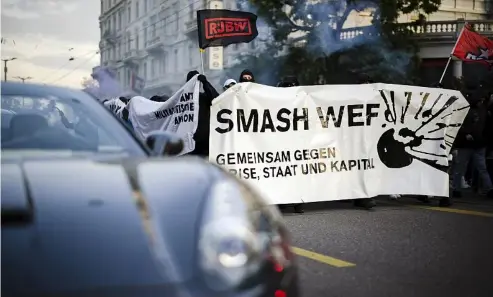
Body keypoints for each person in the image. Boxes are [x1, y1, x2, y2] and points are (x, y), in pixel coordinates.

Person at [451, 90, 493, 199]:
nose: (481, 101)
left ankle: (457, 189)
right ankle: (488, 188)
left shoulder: (473, 110)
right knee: (476, 168)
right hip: (472, 144)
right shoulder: (481, 110)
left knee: (463, 168)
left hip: (473, 143)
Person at [276, 76, 305, 214]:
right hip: (282, 143)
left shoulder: (304, 100)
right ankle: (284, 200)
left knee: (297, 172)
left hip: (297, 142)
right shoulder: (275, 101)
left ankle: (298, 202)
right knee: (283, 172)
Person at [186, 70, 219, 158]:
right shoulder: (183, 100)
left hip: (204, 140)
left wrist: (205, 83)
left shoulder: (204, 98)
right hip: (188, 141)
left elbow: (216, 99)